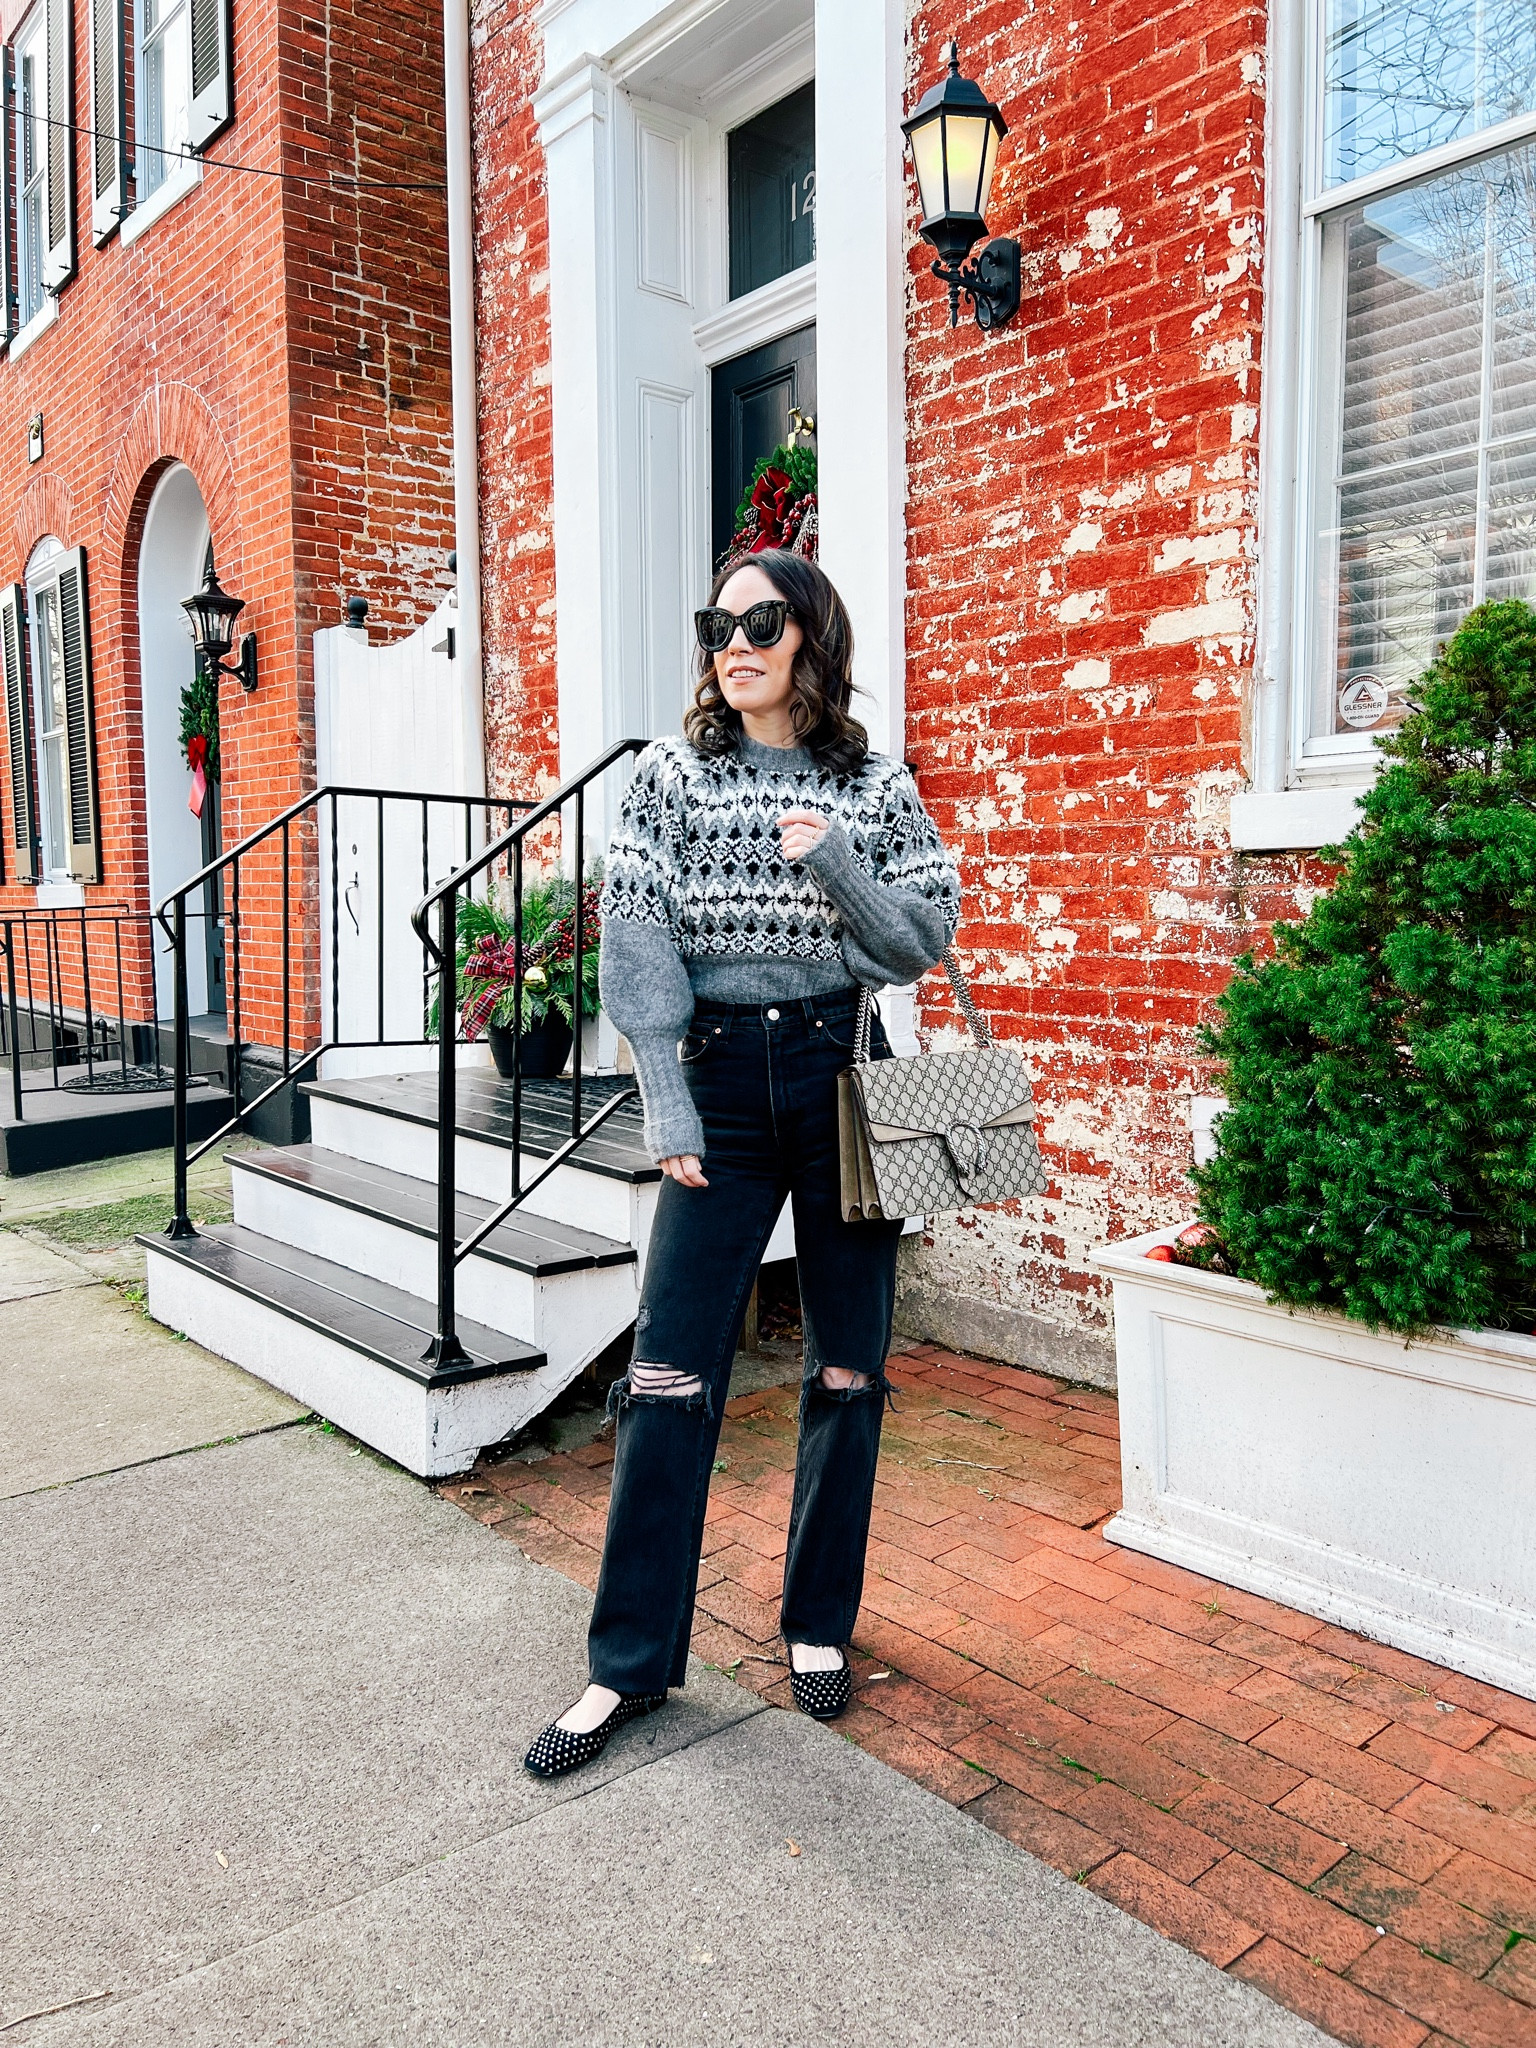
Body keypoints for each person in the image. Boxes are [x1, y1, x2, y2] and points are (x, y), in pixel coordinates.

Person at [523, 548, 960, 1779]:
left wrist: (834, 856)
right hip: (714, 1076)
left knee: (847, 1368)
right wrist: (664, 1096)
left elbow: (920, 939)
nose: (736, 638)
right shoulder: (671, 776)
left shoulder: (874, 782)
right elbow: (638, 933)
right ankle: (626, 1665)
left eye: (763, 618)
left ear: (812, 637)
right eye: (720, 619)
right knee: (667, 1373)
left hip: (841, 1077)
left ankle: (819, 1622)